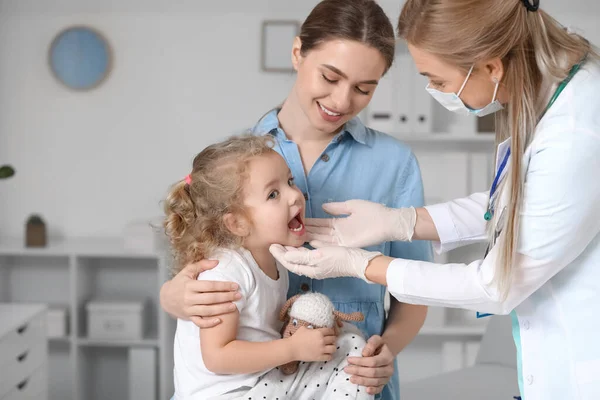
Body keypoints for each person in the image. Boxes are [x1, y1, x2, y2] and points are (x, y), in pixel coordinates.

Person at [269, 0, 600, 399]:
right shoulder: (560, 103)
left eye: (438, 81)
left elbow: (496, 284)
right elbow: (515, 204)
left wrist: (365, 264)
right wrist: (403, 221)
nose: (435, 91)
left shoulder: (576, 133)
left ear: (491, 67)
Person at [160, 1, 433, 398]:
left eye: (363, 89)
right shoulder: (237, 161)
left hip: (353, 380)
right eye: (330, 76)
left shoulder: (394, 164)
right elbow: (207, 267)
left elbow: (415, 289)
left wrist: (384, 352)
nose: (342, 101)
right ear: (297, 53)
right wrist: (172, 296)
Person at [164, 135, 373, 400]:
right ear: (237, 223)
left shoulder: (275, 259)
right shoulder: (226, 271)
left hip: (260, 383)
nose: (294, 195)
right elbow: (217, 357)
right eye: (273, 194)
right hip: (227, 395)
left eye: (289, 182)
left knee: (349, 343)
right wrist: (292, 348)